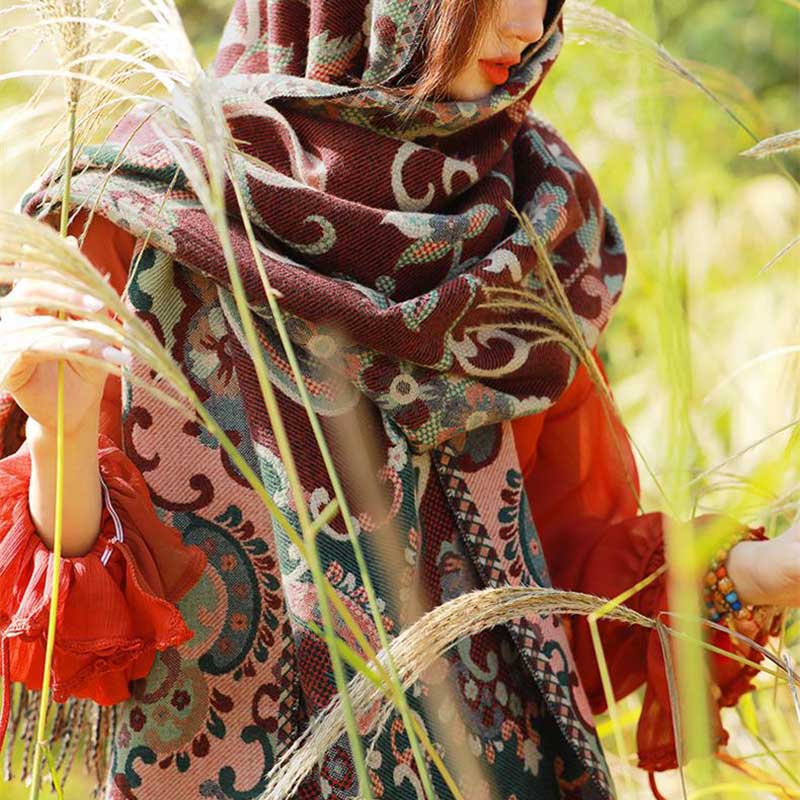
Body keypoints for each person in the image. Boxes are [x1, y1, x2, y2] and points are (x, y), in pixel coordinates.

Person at [0, 0, 796, 798]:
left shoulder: (531, 221)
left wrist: (760, 572)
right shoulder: (147, 202)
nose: (529, 24)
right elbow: (79, 648)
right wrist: (59, 438)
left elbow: (561, 613)